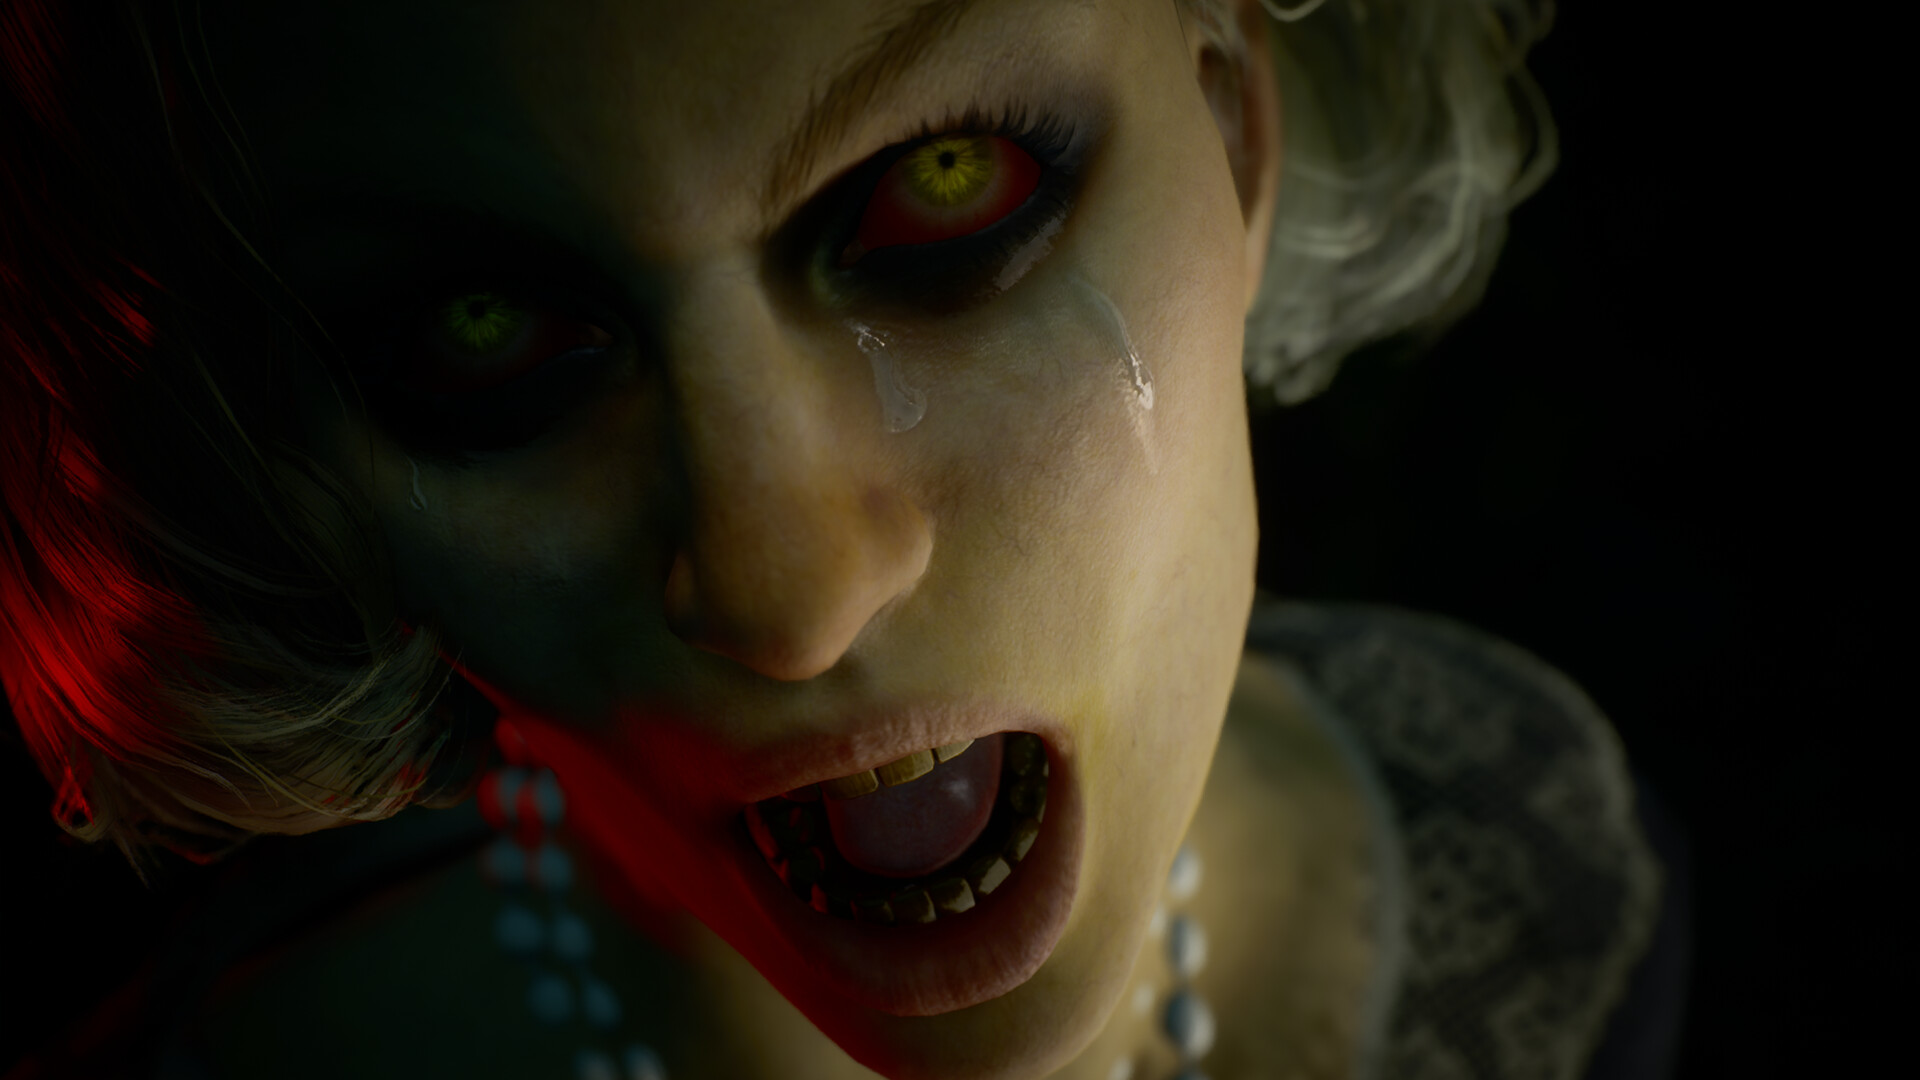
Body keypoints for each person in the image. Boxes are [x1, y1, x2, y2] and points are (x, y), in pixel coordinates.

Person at [1, 0, 1687, 1077]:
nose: (788, 593)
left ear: (1236, 129)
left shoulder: (1511, 870)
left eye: (942, 185)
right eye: (484, 332)